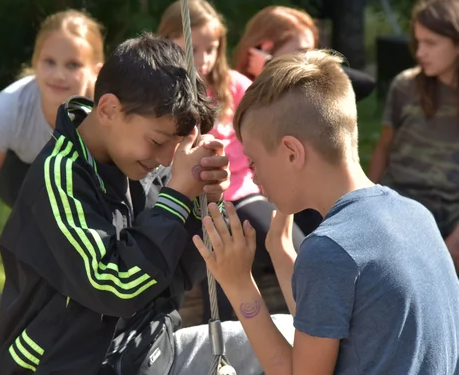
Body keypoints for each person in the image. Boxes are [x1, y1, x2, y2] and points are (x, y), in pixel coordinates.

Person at [0, 32, 271, 375]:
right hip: (66, 364)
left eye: (177, 145)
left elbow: (178, 273)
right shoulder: (59, 176)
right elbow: (116, 287)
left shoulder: (144, 160)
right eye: (157, 140)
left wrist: (202, 202)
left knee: (280, 340)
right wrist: (176, 198)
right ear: (108, 109)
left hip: (147, 352)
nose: (167, 157)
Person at [194, 49, 459, 374]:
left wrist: (238, 285)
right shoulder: (416, 216)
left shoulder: (330, 250)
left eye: (253, 162)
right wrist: (279, 252)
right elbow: (323, 318)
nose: (253, 176)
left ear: (292, 152)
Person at [0, 10, 105, 324]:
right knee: (34, 240)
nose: (58, 74)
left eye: (73, 65)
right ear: (35, 61)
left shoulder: (105, 109)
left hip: (81, 179)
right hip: (20, 174)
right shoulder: (10, 107)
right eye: (49, 62)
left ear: (96, 70)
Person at [157, 0, 297, 321]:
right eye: (196, 49)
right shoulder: (162, 92)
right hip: (192, 200)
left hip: (242, 194)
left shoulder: (233, 85)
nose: (204, 59)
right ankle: (221, 345)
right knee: (218, 254)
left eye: (212, 48)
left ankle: (314, 326)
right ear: (168, 41)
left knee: (292, 243)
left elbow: (265, 131)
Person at [369, 0, 459, 271]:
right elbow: (384, 147)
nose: (420, 52)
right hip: (401, 200)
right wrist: (363, 200)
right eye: (417, 42)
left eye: (431, 43)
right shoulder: (405, 86)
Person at [234, 5, 376, 105]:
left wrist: (270, 66)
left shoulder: (304, 87)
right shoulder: (233, 87)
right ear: (266, 47)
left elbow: (365, 84)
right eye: (302, 51)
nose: (308, 58)